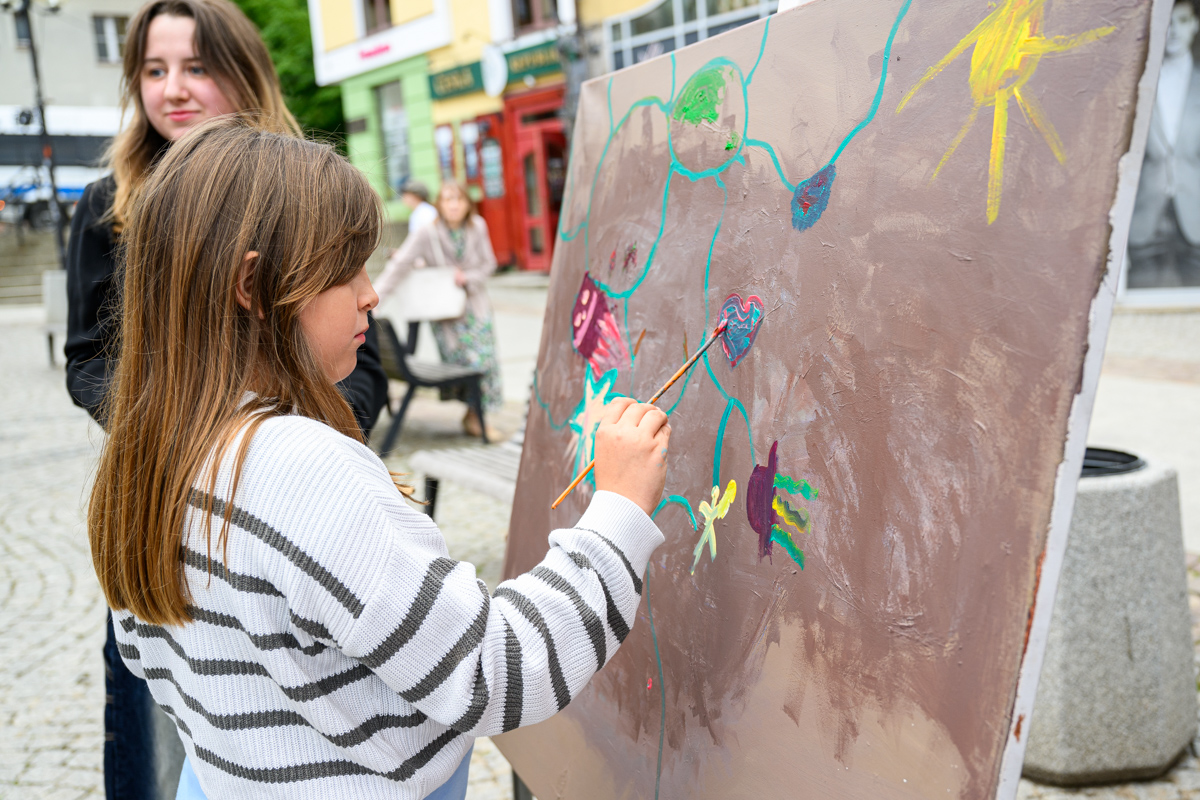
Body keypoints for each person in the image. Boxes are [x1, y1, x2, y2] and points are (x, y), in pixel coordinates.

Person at [90, 117, 670, 799]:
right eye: (345, 271)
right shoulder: (298, 472)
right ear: (253, 286)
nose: (370, 293)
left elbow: (158, 664)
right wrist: (620, 513)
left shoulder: (147, 453)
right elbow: (496, 670)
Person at [62, 2, 389, 798]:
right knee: (165, 729)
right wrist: (179, 427)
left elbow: (365, 361)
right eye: (153, 69)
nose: (173, 89)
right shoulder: (110, 205)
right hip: (171, 503)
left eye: (197, 67)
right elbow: (85, 361)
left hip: (296, 508)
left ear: (244, 73)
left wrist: (290, 448)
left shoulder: (302, 190)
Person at [375, 181, 503, 438]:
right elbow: (399, 265)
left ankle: (476, 417)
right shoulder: (427, 233)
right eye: (448, 200)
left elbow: (489, 264)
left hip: (475, 308)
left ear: (467, 204)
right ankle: (472, 415)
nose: (454, 205)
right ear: (439, 205)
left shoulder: (477, 227)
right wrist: (374, 298)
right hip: (446, 315)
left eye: (459, 200)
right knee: (463, 363)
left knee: (484, 362)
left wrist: (467, 278)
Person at [1128, 0, 1200, 288]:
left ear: (1195, 25)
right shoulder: (1137, 85)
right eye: (1167, 22)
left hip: (1195, 218)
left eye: (1182, 21)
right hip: (1145, 221)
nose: (1173, 31)